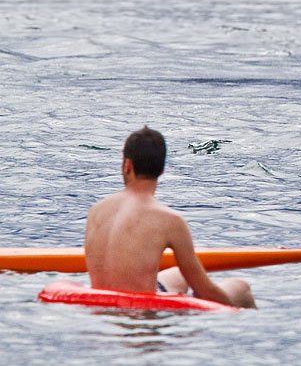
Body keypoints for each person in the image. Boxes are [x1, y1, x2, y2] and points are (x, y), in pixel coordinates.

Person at [84, 127, 255, 308]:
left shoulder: (97, 210)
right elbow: (205, 291)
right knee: (241, 287)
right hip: (142, 311)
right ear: (162, 170)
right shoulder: (169, 220)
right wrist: (228, 307)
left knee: (178, 274)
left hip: (101, 306)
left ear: (127, 165)